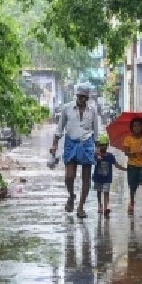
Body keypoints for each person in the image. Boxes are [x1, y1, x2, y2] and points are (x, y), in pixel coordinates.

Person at [50, 84, 98, 218]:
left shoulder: (92, 110)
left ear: (88, 97)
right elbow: (59, 129)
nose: (82, 99)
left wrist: (98, 148)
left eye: (85, 97)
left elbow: (96, 132)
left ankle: (81, 207)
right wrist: (54, 145)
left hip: (87, 144)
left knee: (86, 178)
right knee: (69, 177)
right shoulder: (67, 108)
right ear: (76, 96)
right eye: (80, 97)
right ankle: (71, 195)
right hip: (71, 143)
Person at [122, 117, 142, 218]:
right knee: (133, 187)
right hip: (132, 166)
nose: (136, 128)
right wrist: (132, 152)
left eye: (139, 126)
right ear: (132, 128)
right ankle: (132, 203)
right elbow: (126, 152)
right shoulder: (128, 139)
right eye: (134, 126)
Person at [92, 133, 126, 217]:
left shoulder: (110, 156)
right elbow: (91, 160)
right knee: (99, 191)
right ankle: (100, 205)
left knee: (106, 192)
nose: (103, 147)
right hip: (98, 178)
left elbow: (116, 165)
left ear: (107, 146)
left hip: (107, 179)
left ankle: (106, 206)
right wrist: (96, 155)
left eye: (104, 145)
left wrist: (126, 169)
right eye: (101, 145)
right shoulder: (96, 155)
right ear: (98, 146)